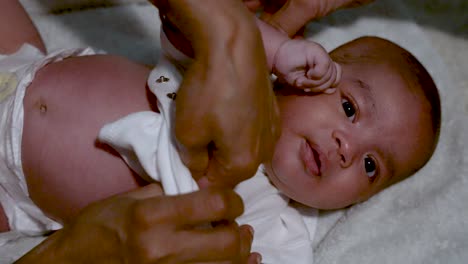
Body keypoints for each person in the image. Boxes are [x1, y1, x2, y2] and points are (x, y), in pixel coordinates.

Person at [0, 0, 378, 263]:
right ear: (303, 79)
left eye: (372, 165)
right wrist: (275, 51)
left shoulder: (273, 225)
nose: (349, 149)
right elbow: (185, 24)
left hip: (13, 193)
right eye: (350, 108)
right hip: (24, 62)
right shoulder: (239, 80)